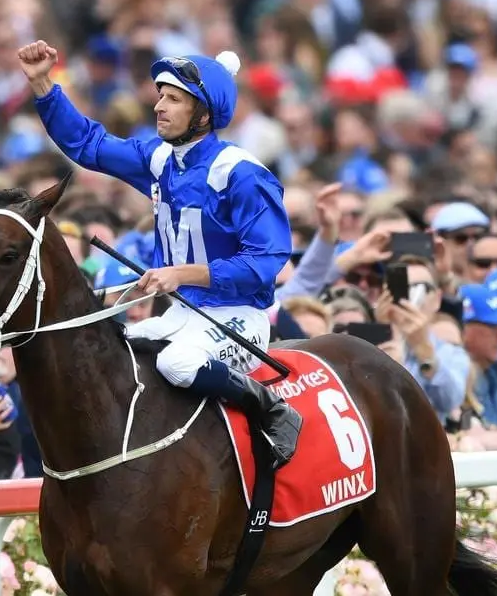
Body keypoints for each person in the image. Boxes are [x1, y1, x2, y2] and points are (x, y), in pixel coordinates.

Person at [18, 40, 301, 468]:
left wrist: (181, 274)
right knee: (114, 352)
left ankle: (273, 410)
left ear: (203, 115)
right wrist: (44, 86)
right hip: (182, 315)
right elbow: (88, 145)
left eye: (173, 99)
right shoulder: (159, 158)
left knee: (177, 363)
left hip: (239, 318)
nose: (159, 107)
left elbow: (266, 264)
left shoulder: (242, 174)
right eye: (160, 97)